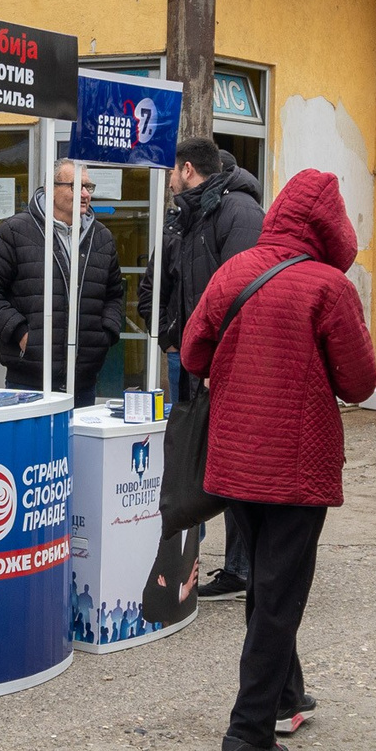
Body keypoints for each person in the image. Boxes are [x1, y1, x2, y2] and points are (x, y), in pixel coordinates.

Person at [180, 168, 376, 751]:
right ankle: (247, 737)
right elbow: (361, 382)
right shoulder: (328, 288)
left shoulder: (232, 272)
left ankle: (285, 699)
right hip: (296, 465)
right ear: (329, 225)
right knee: (279, 596)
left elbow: (192, 352)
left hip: (235, 461)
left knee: (268, 583)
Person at [143, 137, 263, 600]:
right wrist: (171, 334)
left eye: (172, 171)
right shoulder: (186, 216)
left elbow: (243, 294)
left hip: (223, 366)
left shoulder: (240, 214)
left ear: (188, 169)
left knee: (230, 462)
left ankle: (243, 568)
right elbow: (161, 283)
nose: (169, 179)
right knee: (193, 459)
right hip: (191, 359)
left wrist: (220, 356)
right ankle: (191, 559)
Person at [0, 159, 125, 407]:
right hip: (28, 380)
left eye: (88, 187)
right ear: (51, 189)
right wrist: (21, 333)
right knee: (32, 447)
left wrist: (104, 334)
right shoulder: (15, 231)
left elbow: (114, 294)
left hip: (83, 379)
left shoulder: (101, 237)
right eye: (76, 186)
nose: (85, 194)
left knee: (78, 446)